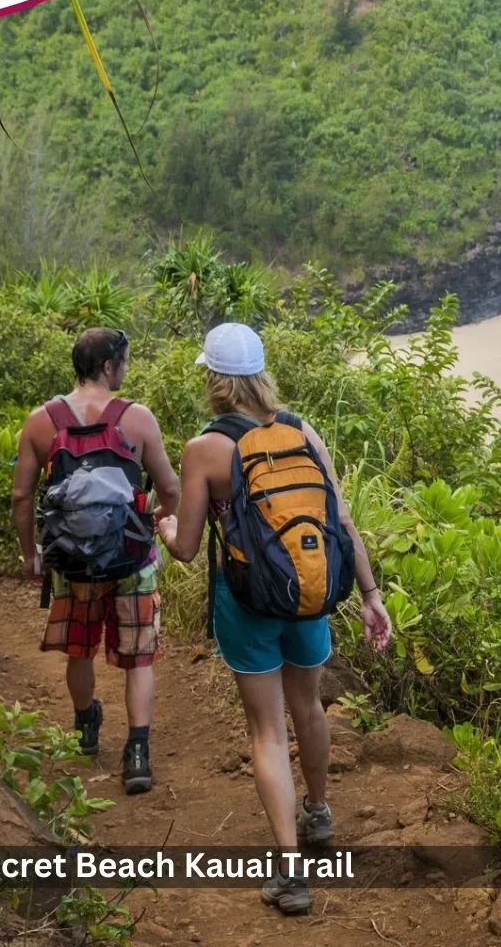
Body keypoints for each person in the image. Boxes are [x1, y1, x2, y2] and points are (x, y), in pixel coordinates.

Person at [156, 323, 392, 914]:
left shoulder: (204, 449)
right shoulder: (301, 430)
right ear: (261, 372)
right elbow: (342, 523)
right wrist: (370, 594)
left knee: (266, 730)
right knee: (308, 706)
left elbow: (185, 548)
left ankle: (290, 875)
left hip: (246, 602)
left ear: (213, 378)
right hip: (309, 592)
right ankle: (319, 813)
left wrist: (162, 525)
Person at [12, 328, 180, 795]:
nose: (126, 368)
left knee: (79, 646)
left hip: (71, 559)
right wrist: (156, 521)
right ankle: (138, 752)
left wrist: (32, 554)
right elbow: (170, 488)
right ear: (109, 366)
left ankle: (86, 726)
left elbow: (22, 494)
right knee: (139, 655)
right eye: (124, 361)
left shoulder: (41, 421)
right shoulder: (137, 418)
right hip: (130, 556)